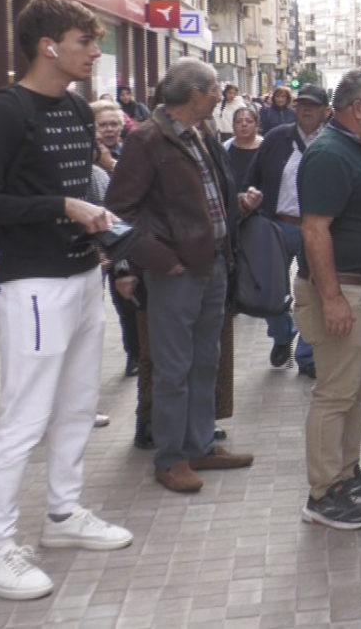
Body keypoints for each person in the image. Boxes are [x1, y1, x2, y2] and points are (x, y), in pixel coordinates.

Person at [0, 0, 133, 601]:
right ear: (48, 46)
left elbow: (70, 189)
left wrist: (98, 227)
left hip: (85, 275)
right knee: (23, 416)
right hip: (33, 284)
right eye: (85, 41)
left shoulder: (80, 111)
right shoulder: (4, 114)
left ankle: (62, 515)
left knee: (79, 404)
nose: (95, 51)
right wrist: (62, 207)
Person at [105, 58, 261, 495]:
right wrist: (158, 259)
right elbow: (119, 212)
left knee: (206, 359)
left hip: (211, 264)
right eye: (215, 89)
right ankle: (171, 458)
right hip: (177, 272)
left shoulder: (200, 132)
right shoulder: (147, 140)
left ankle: (200, 444)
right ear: (194, 95)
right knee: (174, 367)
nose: (221, 95)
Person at [296, 70, 361, 529]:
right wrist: (333, 298)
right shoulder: (329, 153)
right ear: (358, 107)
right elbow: (315, 230)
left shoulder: (358, 148)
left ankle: (346, 475)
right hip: (348, 293)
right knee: (335, 395)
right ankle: (323, 495)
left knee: (357, 391)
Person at [243, 84, 332, 375]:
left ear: (326, 111)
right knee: (270, 290)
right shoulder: (277, 138)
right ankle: (283, 335)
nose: (306, 109)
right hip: (277, 225)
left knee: (312, 293)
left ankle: (307, 356)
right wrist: (249, 197)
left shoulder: (333, 142)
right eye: (301, 104)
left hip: (315, 230)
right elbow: (251, 179)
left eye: (313, 105)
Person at [89, 101, 139, 377]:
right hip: (89, 245)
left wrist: (111, 164)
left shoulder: (130, 152)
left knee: (126, 300)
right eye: (102, 124)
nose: (108, 130)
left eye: (113, 124)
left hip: (121, 238)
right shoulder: (83, 157)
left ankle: (134, 353)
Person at [222, 106, 263, 187]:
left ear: (256, 125)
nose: (244, 124)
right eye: (238, 121)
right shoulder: (225, 148)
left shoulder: (265, 148)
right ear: (233, 126)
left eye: (249, 121)